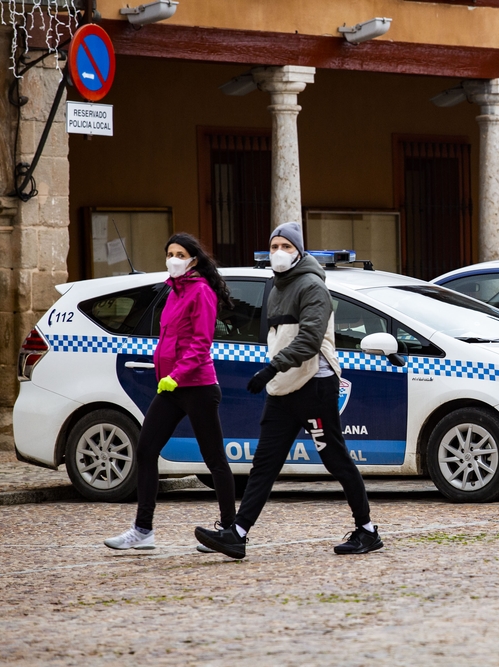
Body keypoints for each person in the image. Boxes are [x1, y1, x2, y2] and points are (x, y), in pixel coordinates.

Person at [194, 222, 382, 559]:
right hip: (284, 389)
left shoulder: (313, 287)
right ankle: (237, 533)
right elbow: (276, 332)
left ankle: (366, 531)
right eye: (275, 246)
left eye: (286, 246)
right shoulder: (275, 285)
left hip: (315, 386)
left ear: (299, 251)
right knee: (264, 464)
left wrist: (270, 369)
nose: (279, 252)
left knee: (335, 459)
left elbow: (309, 340)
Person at [105, 233, 237, 550]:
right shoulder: (173, 290)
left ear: (193, 259)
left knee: (214, 458)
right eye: (169, 253)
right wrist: (167, 375)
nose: (173, 259)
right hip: (171, 387)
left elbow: (200, 343)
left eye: (180, 254)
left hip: (198, 387)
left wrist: (176, 375)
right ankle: (143, 530)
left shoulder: (201, 292)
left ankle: (230, 530)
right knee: (147, 450)